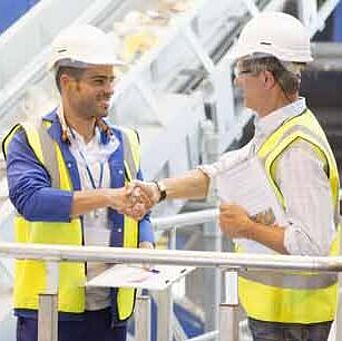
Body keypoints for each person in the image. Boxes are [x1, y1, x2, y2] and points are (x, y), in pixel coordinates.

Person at [131, 12, 340, 341]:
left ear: (267, 78)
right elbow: (220, 174)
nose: (236, 80)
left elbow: (311, 246)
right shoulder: (274, 131)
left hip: (294, 319)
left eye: (241, 71)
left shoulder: (297, 149)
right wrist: (159, 190)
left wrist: (247, 229)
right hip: (276, 313)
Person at [2, 24, 154, 341]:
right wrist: (108, 197)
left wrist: (146, 244)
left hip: (111, 307)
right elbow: (31, 201)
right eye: (98, 80)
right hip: (50, 306)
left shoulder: (126, 142)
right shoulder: (29, 139)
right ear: (67, 83)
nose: (110, 88)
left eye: (111, 79)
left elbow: (141, 209)